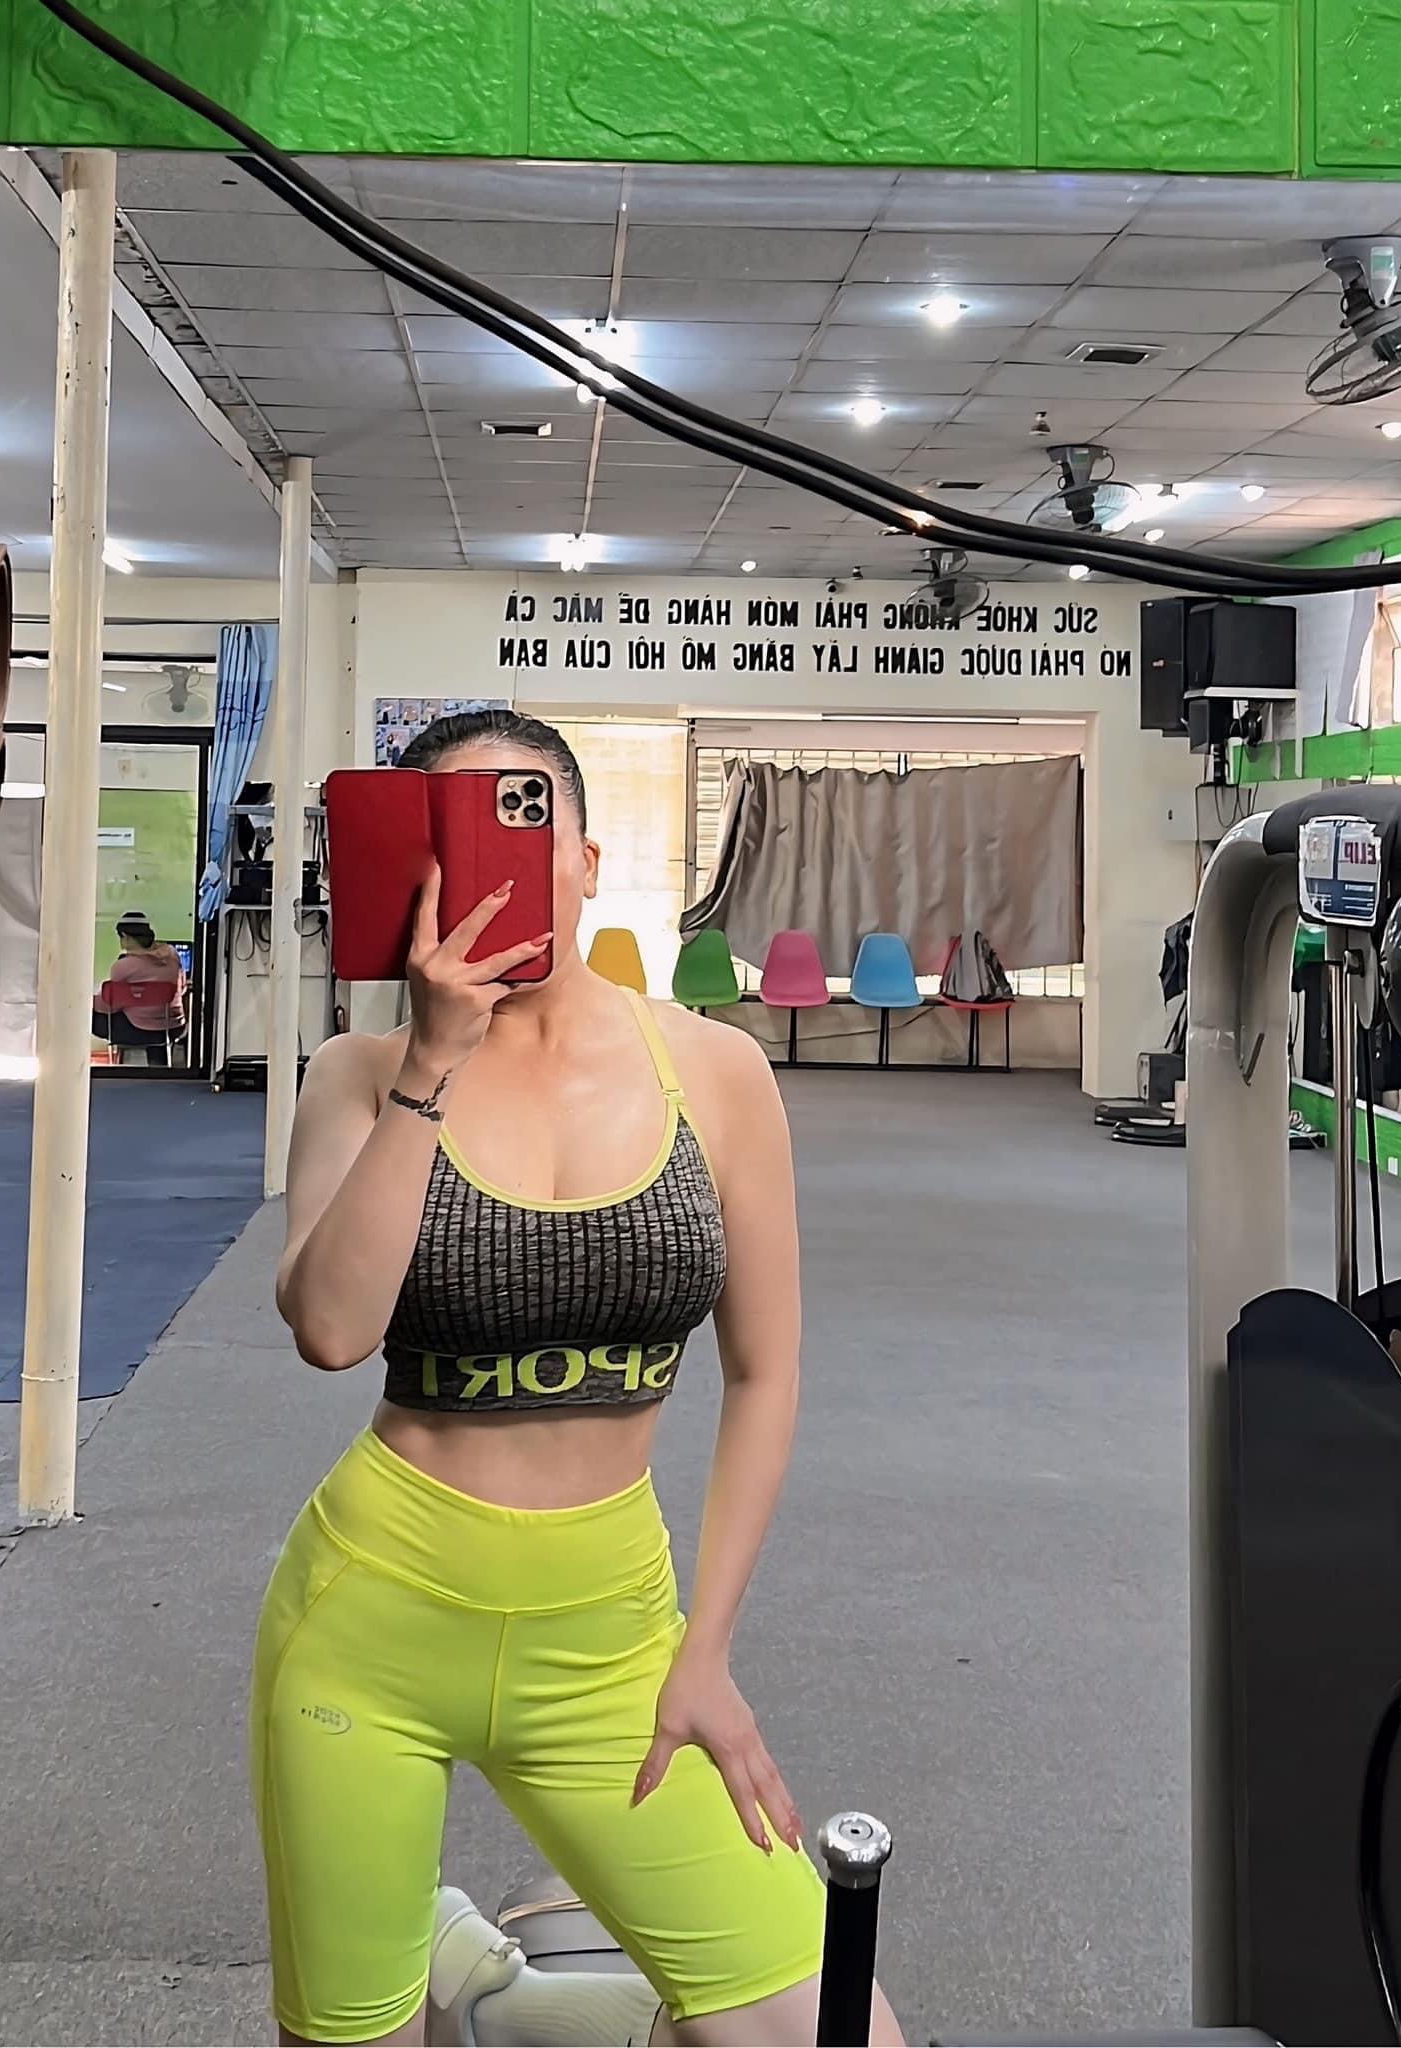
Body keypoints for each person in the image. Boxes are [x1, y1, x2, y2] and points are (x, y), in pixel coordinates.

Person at [255, 710, 901, 2048]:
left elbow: (765, 1373)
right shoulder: (357, 1074)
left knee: (825, 2036)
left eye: (523, 821)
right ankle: (458, 1981)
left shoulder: (713, 1070)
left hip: (610, 1634)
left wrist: (706, 1651)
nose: (493, 866)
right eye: (451, 836)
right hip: (369, 1623)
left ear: (588, 860)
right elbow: (329, 1328)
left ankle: (499, 1998)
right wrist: (430, 1062)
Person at [92, 911, 186, 1066]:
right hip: (173, 1028)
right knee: (154, 1015)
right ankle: (159, 1067)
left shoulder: (123, 966)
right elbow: (181, 989)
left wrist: (90, 1000)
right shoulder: (172, 956)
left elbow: (110, 1005)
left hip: (138, 1030)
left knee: (87, 1015)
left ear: (125, 937)